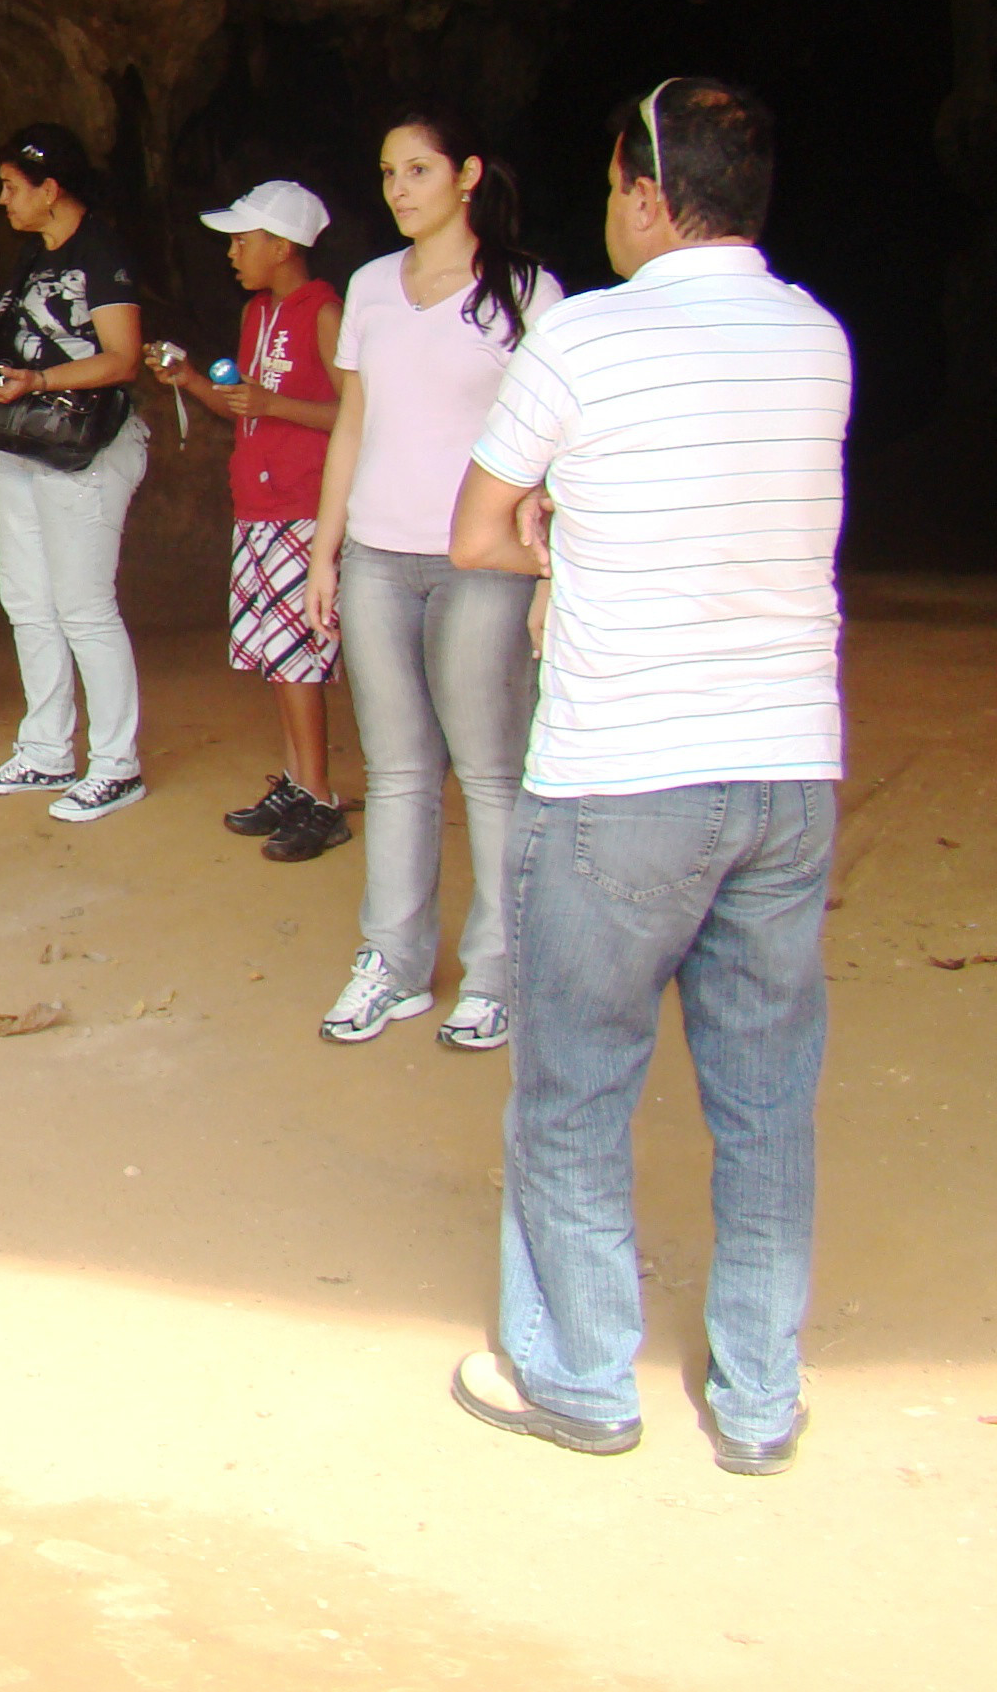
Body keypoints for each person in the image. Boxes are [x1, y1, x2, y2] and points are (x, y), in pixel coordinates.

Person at [442, 78, 847, 1479]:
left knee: (576, 1084)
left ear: (647, 193)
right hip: (788, 776)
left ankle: (575, 1376)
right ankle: (757, 1397)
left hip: (621, 778)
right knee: (765, 1098)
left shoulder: (585, 335)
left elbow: (481, 531)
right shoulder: (819, 341)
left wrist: (565, 545)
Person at [303, 112, 562, 1049]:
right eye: (387, 173)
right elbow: (352, 425)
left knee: (492, 769)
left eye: (418, 170)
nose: (400, 189)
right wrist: (326, 549)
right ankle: (396, 962)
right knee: (399, 768)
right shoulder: (371, 288)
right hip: (378, 552)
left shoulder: (527, 291)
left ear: (468, 176)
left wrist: (546, 571)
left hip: (481, 562)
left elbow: (555, 446)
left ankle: (500, 970)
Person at [0, 123, 151, 822]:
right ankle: (45, 749)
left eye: (13, 187)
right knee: (27, 600)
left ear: (50, 189)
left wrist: (37, 379)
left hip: (86, 443)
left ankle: (116, 764)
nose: (4, 199)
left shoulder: (100, 249)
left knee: (83, 606)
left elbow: (123, 357)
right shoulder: (30, 257)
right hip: (24, 442)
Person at [154, 180, 346, 860]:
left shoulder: (324, 312)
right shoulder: (256, 313)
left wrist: (274, 403)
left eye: (243, 240)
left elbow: (356, 414)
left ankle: (321, 797)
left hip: (303, 506)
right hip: (259, 506)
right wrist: (191, 382)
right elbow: (246, 407)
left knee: (299, 657)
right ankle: (299, 781)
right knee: (278, 656)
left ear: (283, 245)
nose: (232, 253)